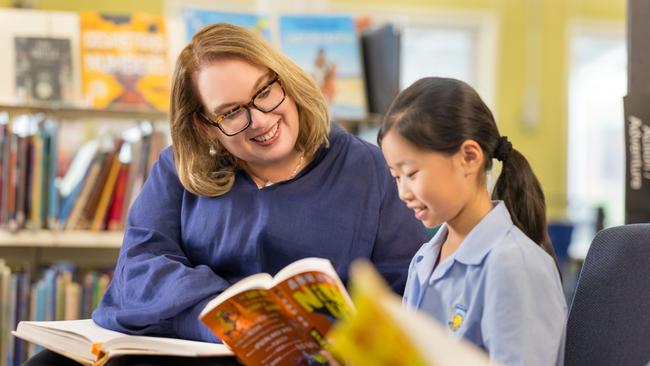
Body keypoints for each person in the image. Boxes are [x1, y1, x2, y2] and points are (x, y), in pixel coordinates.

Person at [23, 23, 427, 365]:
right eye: (231, 112)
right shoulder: (178, 168)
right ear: (205, 126)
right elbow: (140, 271)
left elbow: (403, 292)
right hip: (194, 349)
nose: (261, 121)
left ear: (285, 78)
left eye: (266, 92)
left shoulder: (371, 169)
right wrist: (234, 314)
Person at [378, 77, 566, 365]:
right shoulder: (425, 258)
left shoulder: (513, 264)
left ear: (468, 157)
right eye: (396, 177)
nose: (403, 192)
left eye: (412, 173)